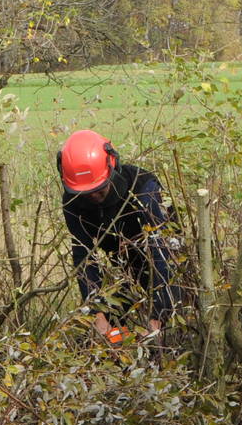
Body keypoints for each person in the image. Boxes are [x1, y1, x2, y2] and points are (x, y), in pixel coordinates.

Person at [57, 129, 178, 342]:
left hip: (168, 269)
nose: (93, 196)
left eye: (100, 189)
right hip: (126, 273)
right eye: (86, 193)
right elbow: (84, 257)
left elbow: (165, 254)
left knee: (165, 337)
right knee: (104, 336)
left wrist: (158, 318)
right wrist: (97, 314)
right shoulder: (73, 200)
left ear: (113, 166)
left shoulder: (143, 190)